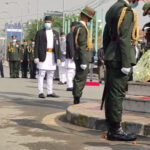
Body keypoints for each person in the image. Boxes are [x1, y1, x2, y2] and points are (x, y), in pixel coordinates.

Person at [102, 0, 139, 141]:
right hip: (120, 57)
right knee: (117, 94)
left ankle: (111, 127)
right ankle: (116, 130)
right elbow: (124, 38)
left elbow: (106, 35)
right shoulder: (126, 11)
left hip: (112, 54)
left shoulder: (113, 8)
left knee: (111, 93)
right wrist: (125, 62)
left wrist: (107, 53)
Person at [73, 7, 95, 104]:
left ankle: (77, 96)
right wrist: (83, 61)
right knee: (80, 78)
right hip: (82, 57)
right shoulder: (81, 29)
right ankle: (77, 98)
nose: (89, 21)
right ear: (86, 18)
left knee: (79, 77)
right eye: (89, 19)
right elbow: (82, 45)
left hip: (81, 56)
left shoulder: (78, 27)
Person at [34, 16, 60, 98]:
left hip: (52, 55)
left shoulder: (55, 33)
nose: (47, 23)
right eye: (46, 22)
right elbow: (36, 46)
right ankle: (40, 92)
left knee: (51, 74)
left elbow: (57, 46)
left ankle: (50, 91)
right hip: (43, 55)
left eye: (49, 22)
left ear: (52, 23)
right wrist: (36, 56)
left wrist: (58, 57)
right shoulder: (40, 32)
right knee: (41, 74)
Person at [66, 22, 78, 91]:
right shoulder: (71, 35)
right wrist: (72, 55)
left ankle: (72, 85)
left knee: (73, 71)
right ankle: (69, 86)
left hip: (74, 56)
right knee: (70, 71)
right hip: (71, 57)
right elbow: (71, 46)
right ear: (72, 27)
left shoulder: (75, 35)